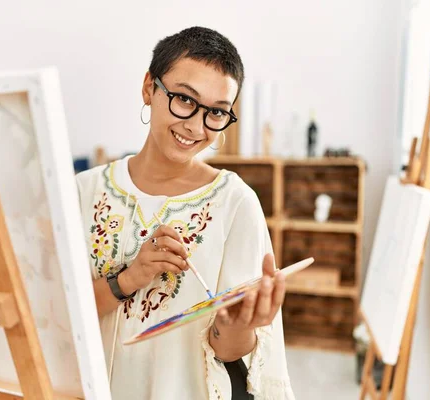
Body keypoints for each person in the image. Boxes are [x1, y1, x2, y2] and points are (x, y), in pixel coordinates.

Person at [75, 26, 294, 400]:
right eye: (184, 99)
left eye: (217, 113)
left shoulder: (235, 202)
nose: (196, 126)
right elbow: (55, 317)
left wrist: (239, 326)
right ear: (149, 88)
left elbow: (227, 355)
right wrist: (129, 278)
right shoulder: (84, 190)